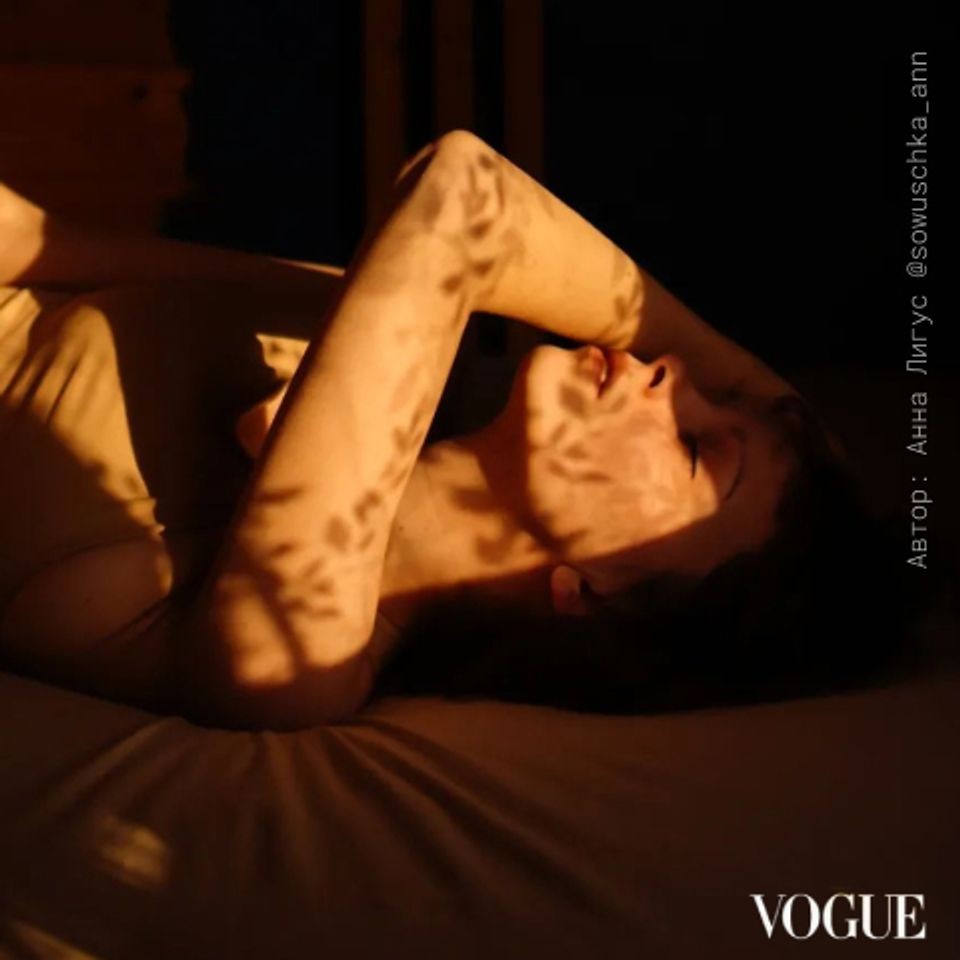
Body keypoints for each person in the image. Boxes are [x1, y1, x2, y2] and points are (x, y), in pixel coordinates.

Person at [0, 131, 923, 731]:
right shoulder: (368, 337)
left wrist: (768, 407)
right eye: (708, 385)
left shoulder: (304, 651)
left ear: (597, 597)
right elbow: (49, 249)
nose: (672, 371)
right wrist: (787, 419)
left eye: (697, 448)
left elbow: (462, 193)